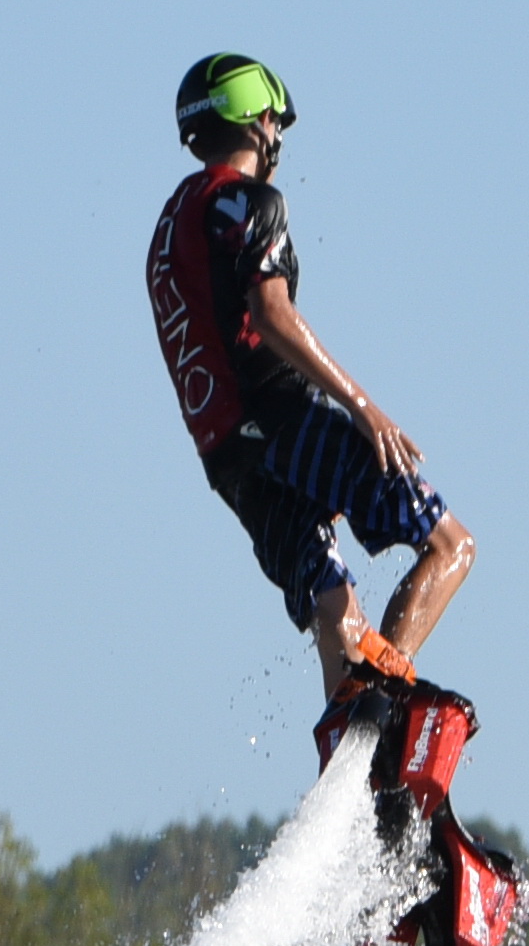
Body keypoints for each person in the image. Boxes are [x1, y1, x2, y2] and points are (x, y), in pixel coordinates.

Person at [144, 53, 481, 705]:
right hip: (283, 418)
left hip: (228, 461)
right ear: (257, 120)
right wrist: (366, 410)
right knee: (451, 544)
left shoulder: (167, 229)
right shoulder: (251, 202)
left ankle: (349, 771)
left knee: (335, 606)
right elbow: (272, 317)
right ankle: (388, 699)